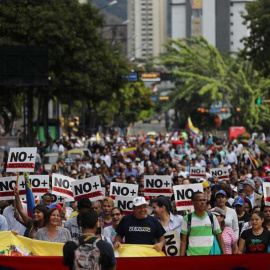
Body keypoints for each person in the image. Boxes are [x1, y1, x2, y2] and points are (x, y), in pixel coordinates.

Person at [180, 191, 226, 256]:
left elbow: (219, 237)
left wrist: (225, 255)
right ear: (193, 202)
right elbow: (183, 241)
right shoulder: (187, 219)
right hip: (192, 256)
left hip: (210, 256)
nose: (202, 202)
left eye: (204, 200)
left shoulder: (212, 217)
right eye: (199, 200)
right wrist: (181, 259)